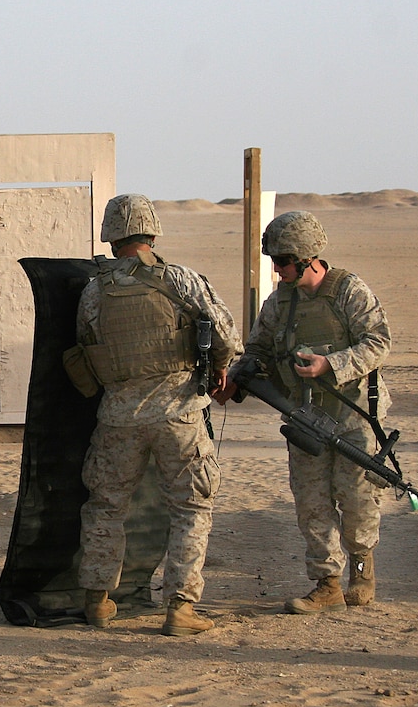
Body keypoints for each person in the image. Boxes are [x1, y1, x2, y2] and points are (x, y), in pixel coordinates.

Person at [76, 194, 242, 636]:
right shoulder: (181, 280)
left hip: (117, 417)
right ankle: (180, 609)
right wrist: (219, 366)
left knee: (106, 507)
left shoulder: (94, 290)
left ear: (111, 238)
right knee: (191, 508)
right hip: (180, 412)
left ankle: (97, 600)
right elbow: (225, 335)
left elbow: (87, 343)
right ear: (152, 233)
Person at [214, 211, 391, 614]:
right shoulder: (278, 302)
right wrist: (234, 382)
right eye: (273, 261)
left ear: (306, 257)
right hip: (305, 416)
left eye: (282, 261)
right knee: (311, 501)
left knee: (357, 497)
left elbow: (378, 341)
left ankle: (361, 571)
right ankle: (327, 583)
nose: (276, 270)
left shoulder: (348, 291)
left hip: (353, 415)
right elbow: (256, 350)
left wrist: (331, 364)